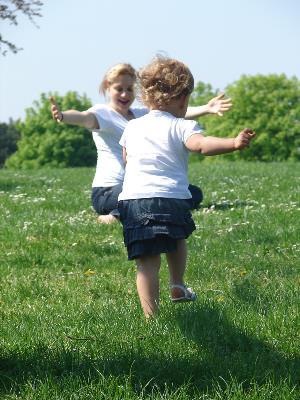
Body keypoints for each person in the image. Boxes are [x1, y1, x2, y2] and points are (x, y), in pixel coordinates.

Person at [118, 56, 255, 318]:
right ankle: (177, 284)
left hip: (134, 200)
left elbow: (126, 157)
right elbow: (202, 145)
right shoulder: (182, 125)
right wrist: (233, 143)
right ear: (182, 98)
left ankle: (151, 318)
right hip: (170, 197)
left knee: (146, 262)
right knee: (177, 238)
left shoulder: (132, 126)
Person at [50, 63, 232, 224]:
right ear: (107, 87)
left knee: (193, 192)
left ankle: (131, 209)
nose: (124, 94)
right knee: (147, 192)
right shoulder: (102, 113)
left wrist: (207, 109)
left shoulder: (139, 114)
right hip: (108, 191)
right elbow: (83, 118)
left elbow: (171, 113)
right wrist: (63, 116)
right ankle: (115, 214)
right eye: (118, 88)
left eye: (130, 89)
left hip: (138, 184)